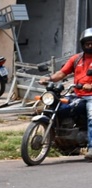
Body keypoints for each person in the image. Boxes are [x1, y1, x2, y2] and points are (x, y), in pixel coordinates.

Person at [40, 27, 92, 161]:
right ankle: (64, 142)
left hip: (91, 96)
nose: (90, 45)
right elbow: (62, 73)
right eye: (87, 43)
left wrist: (90, 86)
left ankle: (91, 148)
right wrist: (49, 79)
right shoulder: (76, 59)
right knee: (57, 106)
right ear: (83, 44)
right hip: (77, 94)